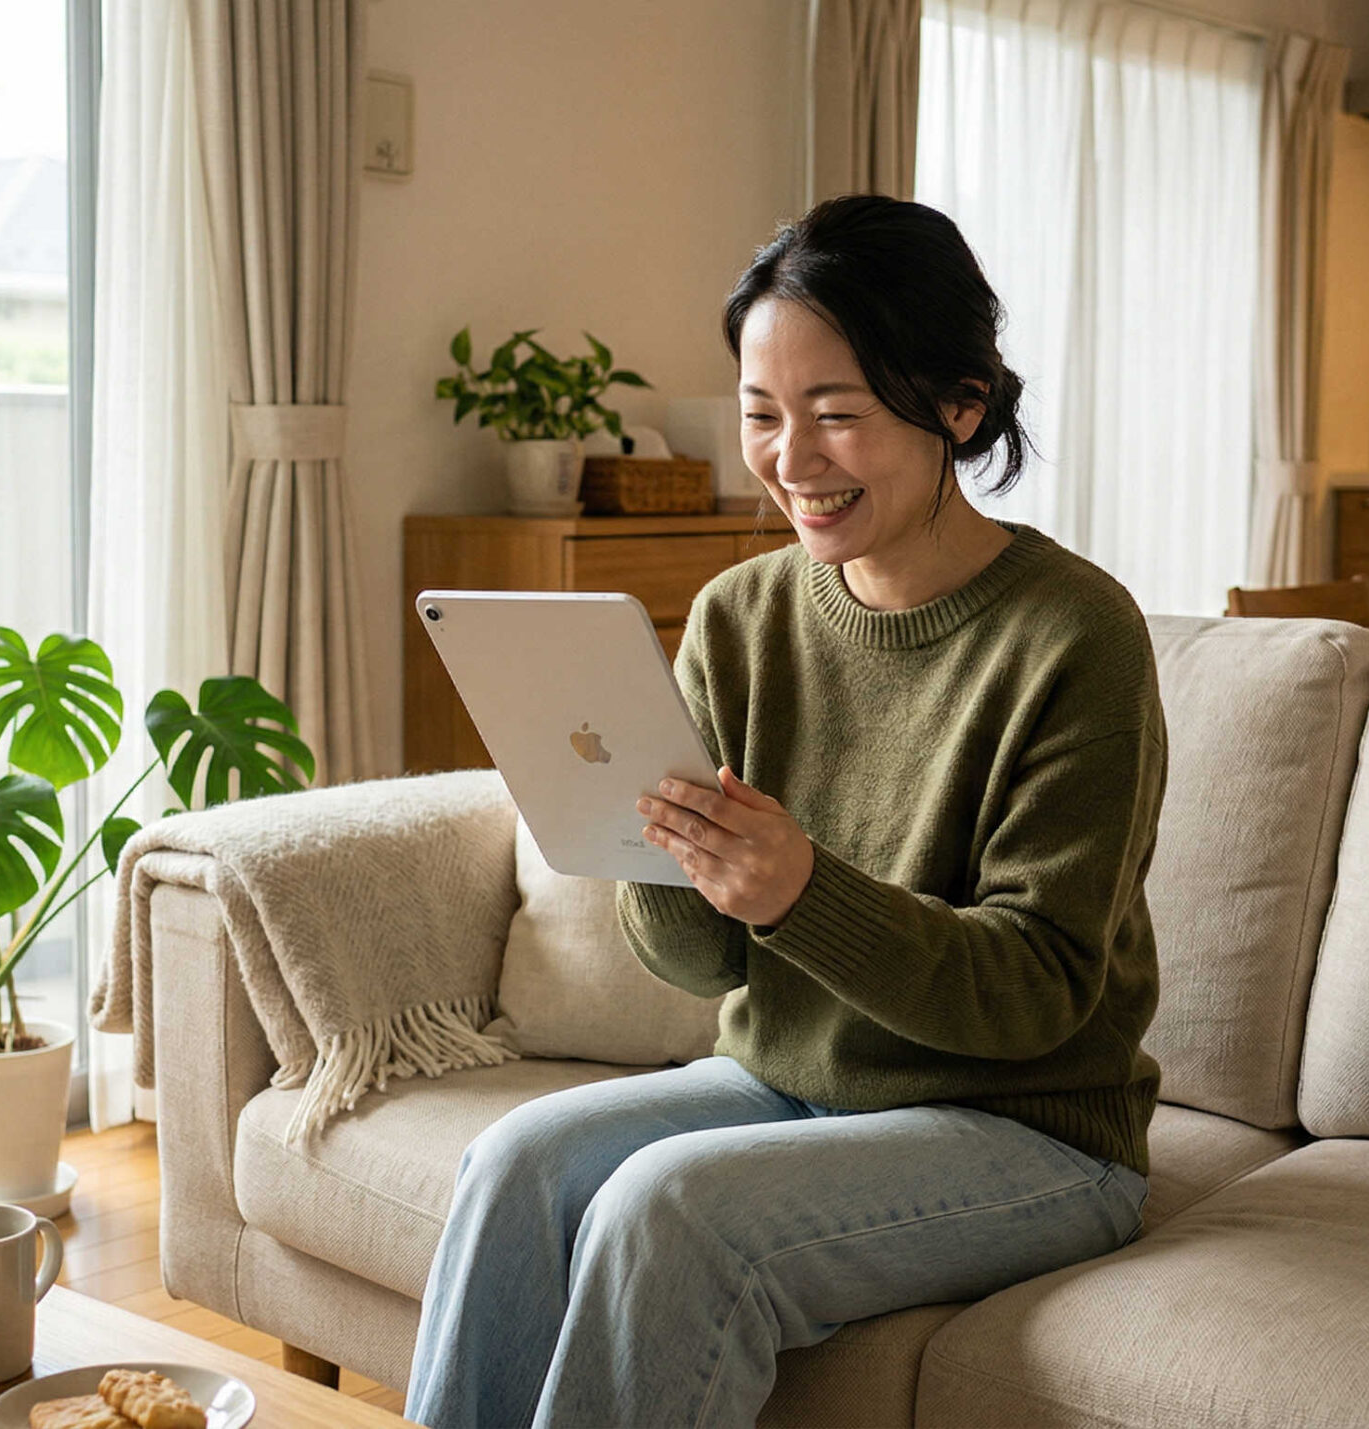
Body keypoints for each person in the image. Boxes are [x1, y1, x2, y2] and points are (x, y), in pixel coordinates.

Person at [405, 194, 1166, 1429]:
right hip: (788, 1079)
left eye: (838, 414)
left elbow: (1038, 993)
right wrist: (641, 836)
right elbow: (704, 962)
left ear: (958, 404)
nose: (792, 461)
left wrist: (802, 893)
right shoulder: (741, 616)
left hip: (1029, 1129)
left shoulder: (1075, 634)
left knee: (667, 1209)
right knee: (515, 1162)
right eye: (761, 415)